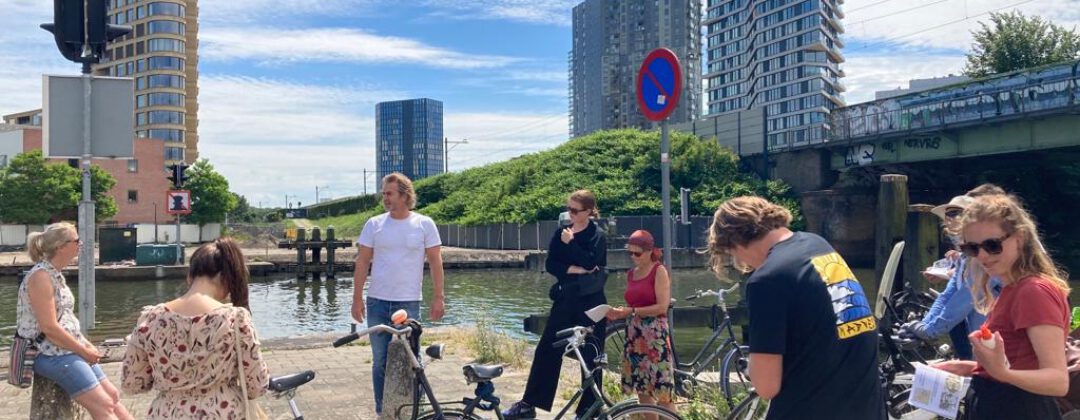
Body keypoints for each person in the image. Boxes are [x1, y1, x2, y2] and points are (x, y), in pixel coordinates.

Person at [707, 196, 884, 420]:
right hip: (865, 405)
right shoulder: (818, 245)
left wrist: (752, 367)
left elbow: (767, 387)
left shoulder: (768, 279)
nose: (745, 264)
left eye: (733, 255)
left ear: (735, 241)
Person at [932, 194, 1070, 420]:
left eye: (992, 245)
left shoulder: (1033, 291)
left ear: (1020, 238)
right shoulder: (1011, 288)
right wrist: (967, 368)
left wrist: (1001, 373)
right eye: (972, 249)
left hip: (1020, 409)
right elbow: (1021, 361)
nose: (983, 256)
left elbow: (1057, 381)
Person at [121, 238, 269, 419]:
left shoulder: (150, 318)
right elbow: (257, 385)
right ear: (225, 277)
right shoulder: (236, 319)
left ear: (189, 276)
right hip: (222, 412)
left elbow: (132, 384)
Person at [503, 189, 608, 420]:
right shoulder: (562, 232)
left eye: (574, 210)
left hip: (590, 301)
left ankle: (589, 410)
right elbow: (551, 264)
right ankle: (529, 404)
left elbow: (592, 261)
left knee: (591, 354)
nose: (569, 213)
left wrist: (571, 246)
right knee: (547, 350)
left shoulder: (597, 235)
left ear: (589, 211)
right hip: (565, 298)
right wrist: (574, 269)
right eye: (568, 208)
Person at [15, 223, 134, 420]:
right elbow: (49, 327)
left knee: (112, 395)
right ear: (61, 246)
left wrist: (85, 344)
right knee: (103, 404)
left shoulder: (55, 274)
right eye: (76, 240)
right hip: (48, 352)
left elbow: (67, 318)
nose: (81, 244)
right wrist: (83, 350)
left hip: (65, 349)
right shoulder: (41, 277)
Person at [351, 172, 446, 416]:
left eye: (389, 193)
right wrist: (356, 298)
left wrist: (438, 297)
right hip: (377, 302)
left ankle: (414, 410)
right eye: (384, 193)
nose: (385, 198)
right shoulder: (374, 224)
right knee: (380, 361)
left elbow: (436, 262)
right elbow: (362, 262)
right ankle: (383, 411)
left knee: (412, 359)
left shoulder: (424, 224)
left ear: (405, 195)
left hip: (408, 302)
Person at [902, 184, 1006, 359]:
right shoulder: (965, 259)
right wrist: (923, 325)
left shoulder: (982, 260)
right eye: (947, 215)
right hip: (979, 339)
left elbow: (965, 300)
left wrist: (929, 331)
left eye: (956, 213)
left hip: (999, 343)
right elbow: (947, 295)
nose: (949, 219)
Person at [605, 229, 675, 416]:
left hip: (654, 335)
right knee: (642, 387)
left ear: (650, 251)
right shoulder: (631, 273)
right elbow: (633, 302)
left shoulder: (658, 271)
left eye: (638, 253)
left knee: (662, 390)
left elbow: (662, 307)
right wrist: (620, 311)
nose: (633, 257)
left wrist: (632, 311)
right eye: (630, 253)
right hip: (635, 333)